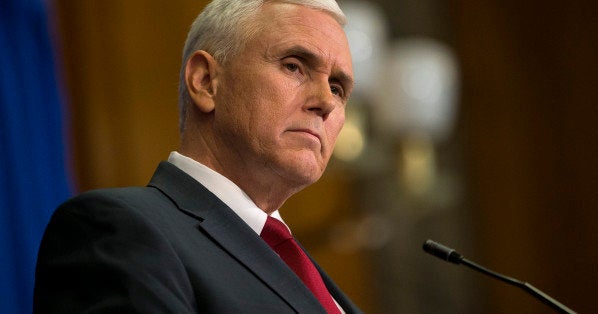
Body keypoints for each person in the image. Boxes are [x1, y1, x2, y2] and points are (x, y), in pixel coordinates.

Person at [33, 0, 360, 313]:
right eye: (294, 66)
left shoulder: (304, 269)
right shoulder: (117, 231)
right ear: (205, 82)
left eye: (336, 88)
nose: (326, 102)